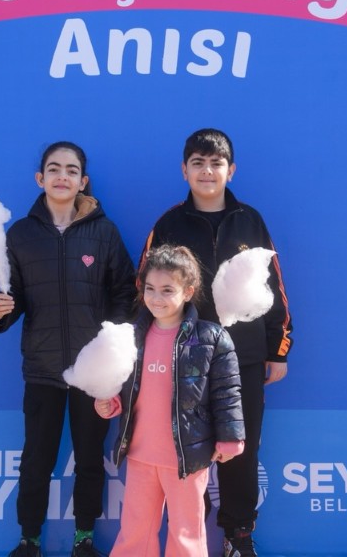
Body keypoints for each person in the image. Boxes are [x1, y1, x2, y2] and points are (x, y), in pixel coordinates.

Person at [141, 129, 292, 557]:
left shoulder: (250, 220)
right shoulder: (168, 224)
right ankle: (192, 535)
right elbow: (146, 288)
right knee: (190, 448)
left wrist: (277, 350)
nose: (207, 172)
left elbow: (275, 289)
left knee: (241, 447)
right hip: (185, 357)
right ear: (184, 170)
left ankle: (238, 535)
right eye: (198, 163)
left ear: (231, 170)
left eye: (216, 163)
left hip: (243, 357)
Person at [0, 141, 138, 557]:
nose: (62, 176)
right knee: (37, 458)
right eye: (54, 169)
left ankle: (84, 538)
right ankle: (29, 539)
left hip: (94, 373)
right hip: (43, 369)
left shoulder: (104, 233)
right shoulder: (20, 235)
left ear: (82, 181)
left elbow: (125, 294)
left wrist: (111, 344)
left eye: (71, 170)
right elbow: (7, 299)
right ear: (40, 178)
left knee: (90, 458)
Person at [96, 244, 244, 557]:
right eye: (150, 289)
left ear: (188, 292)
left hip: (187, 458)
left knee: (186, 531)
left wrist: (230, 438)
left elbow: (227, 393)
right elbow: (121, 387)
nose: (156, 298)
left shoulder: (212, 338)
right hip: (140, 453)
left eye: (167, 290)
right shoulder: (129, 337)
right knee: (135, 529)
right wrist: (109, 403)